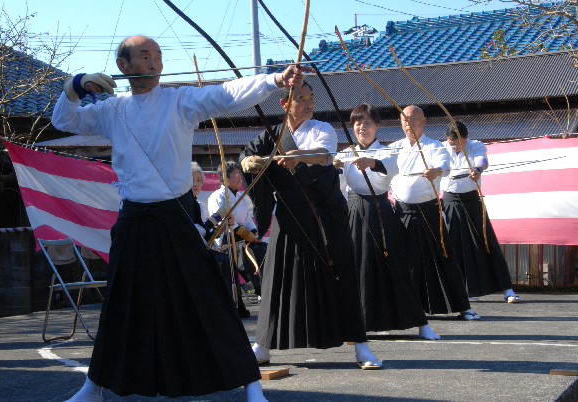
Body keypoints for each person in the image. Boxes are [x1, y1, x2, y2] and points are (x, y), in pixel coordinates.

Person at [51, 35, 309, 402]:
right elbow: (63, 119)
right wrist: (76, 85)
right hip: (134, 217)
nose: (154, 62)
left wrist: (273, 80)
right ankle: (94, 387)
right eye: (144, 56)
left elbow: (225, 94)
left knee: (207, 297)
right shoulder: (113, 108)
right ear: (124, 67)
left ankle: (251, 384)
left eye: (157, 56)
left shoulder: (180, 100)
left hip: (174, 215)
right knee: (121, 303)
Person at [240, 83, 382, 369]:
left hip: (325, 214)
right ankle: (262, 345)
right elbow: (247, 156)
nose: (308, 103)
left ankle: (362, 348)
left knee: (340, 273)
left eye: (310, 98)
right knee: (275, 278)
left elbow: (322, 155)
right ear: (284, 104)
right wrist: (248, 163)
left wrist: (295, 156)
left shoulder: (322, 128)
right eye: (300, 99)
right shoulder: (270, 136)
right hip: (290, 216)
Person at [339, 104, 440, 339]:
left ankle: (421, 324)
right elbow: (337, 187)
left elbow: (389, 169)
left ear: (377, 126)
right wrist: (333, 168)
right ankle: (355, 324)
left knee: (397, 267)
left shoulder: (388, 151)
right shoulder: (345, 154)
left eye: (367, 123)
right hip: (354, 212)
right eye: (357, 123)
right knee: (356, 268)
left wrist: (370, 162)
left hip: (381, 211)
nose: (362, 127)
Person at [383, 105, 479, 320]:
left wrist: (435, 172)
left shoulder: (435, 146)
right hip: (402, 212)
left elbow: (444, 165)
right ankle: (409, 308)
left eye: (414, 119)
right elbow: (381, 169)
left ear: (424, 121)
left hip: (428, 211)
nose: (409, 124)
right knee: (406, 261)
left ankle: (464, 307)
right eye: (405, 120)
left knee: (444, 257)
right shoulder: (394, 148)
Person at [440, 122, 520, 303]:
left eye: (461, 141)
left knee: (486, 240)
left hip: (471, 200)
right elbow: (440, 167)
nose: (457, 145)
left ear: (466, 137)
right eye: (454, 142)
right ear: (448, 139)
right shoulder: (442, 148)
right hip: (449, 201)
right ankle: (464, 291)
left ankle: (508, 290)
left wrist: (477, 170)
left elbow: (482, 161)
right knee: (454, 245)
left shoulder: (476, 145)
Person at [208, 160, 266, 317]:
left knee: (263, 250)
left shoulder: (240, 196)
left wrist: (254, 233)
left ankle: (267, 292)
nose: (240, 177)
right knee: (254, 254)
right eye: (236, 174)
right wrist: (247, 235)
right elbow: (222, 223)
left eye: (239, 173)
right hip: (227, 242)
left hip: (242, 240)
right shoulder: (217, 196)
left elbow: (247, 219)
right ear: (225, 177)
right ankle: (241, 304)